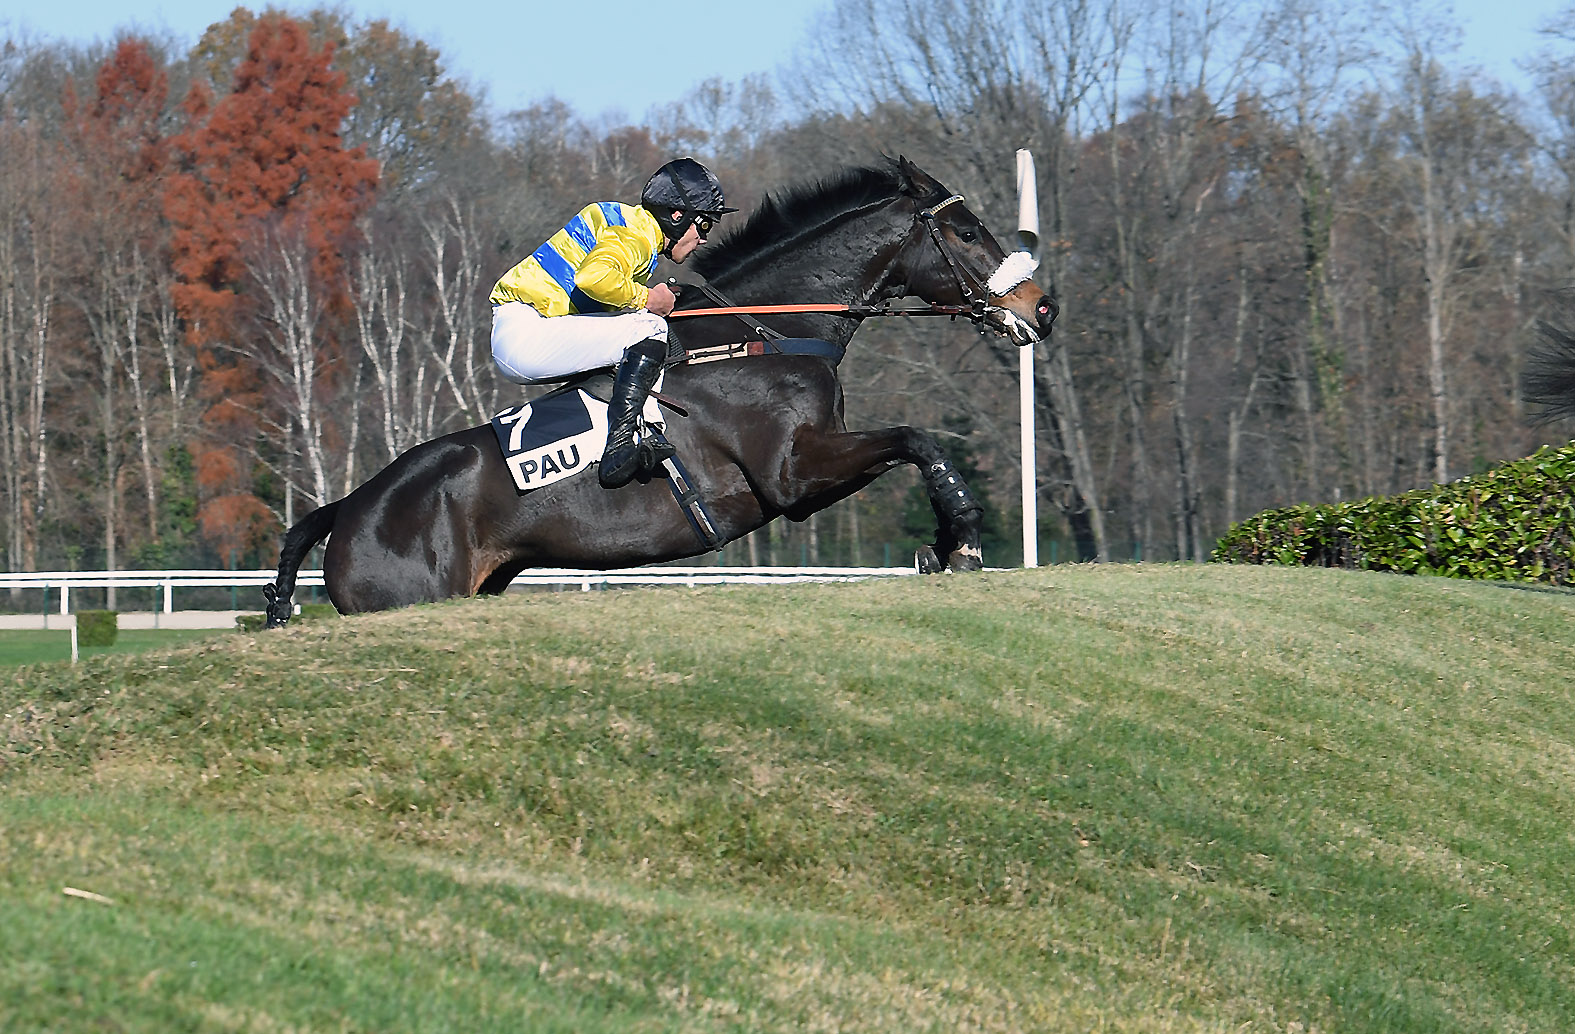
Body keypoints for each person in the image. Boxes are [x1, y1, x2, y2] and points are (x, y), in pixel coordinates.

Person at [489, 157, 735, 488]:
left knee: (638, 330)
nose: (703, 238)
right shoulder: (635, 234)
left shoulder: (630, 227)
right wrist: (648, 299)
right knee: (650, 327)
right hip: (526, 332)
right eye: (703, 225)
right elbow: (594, 278)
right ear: (678, 215)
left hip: (526, 329)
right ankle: (620, 446)